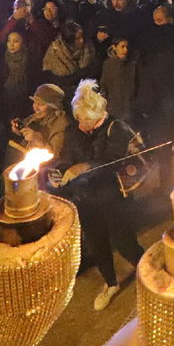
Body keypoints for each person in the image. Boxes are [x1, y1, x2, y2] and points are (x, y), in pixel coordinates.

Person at [51, 79, 146, 311]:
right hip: (85, 198)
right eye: (78, 118)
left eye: (84, 119)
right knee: (97, 244)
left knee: (125, 243)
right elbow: (66, 157)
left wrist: (83, 167)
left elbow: (113, 162)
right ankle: (110, 283)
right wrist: (60, 171)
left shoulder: (117, 129)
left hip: (112, 197)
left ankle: (149, 274)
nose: (80, 124)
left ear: (96, 114)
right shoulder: (76, 129)